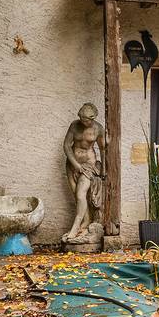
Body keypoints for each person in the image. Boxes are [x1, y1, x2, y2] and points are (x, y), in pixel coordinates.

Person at [62, 102, 106, 243]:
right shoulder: (74, 125)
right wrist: (75, 165)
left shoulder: (98, 129)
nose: (82, 121)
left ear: (92, 118)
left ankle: (75, 227)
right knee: (77, 196)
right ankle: (85, 222)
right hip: (72, 164)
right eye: (81, 118)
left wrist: (103, 168)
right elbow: (67, 146)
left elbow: (103, 149)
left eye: (86, 120)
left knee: (81, 194)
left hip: (88, 166)